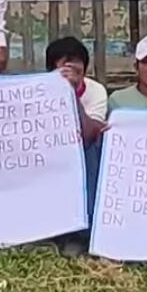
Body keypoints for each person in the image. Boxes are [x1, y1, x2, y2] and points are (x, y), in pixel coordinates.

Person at [48, 36, 108, 258]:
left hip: (80, 153)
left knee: (92, 150)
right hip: (48, 155)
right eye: (65, 66)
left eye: (77, 65)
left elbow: (88, 134)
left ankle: (82, 234)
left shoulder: (96, 91)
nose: (72, 71)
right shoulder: (38, 90)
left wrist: (71, 93)